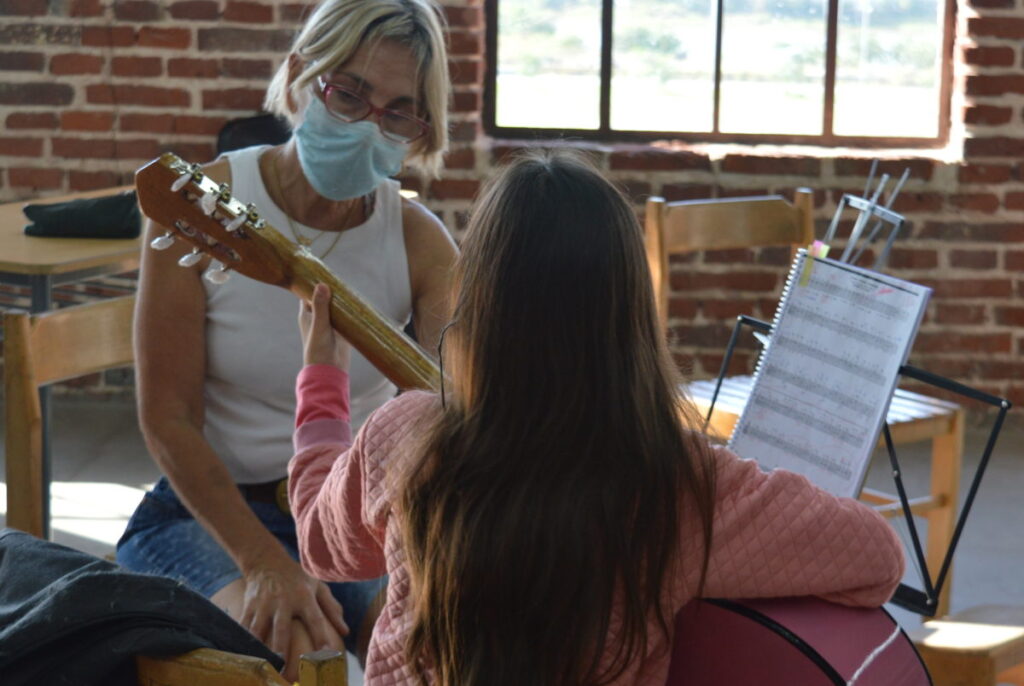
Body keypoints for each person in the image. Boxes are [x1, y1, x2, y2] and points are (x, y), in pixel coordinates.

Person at [287, 150, 907, 685]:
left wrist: (322, 381)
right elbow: (876, 558)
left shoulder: (402, 435)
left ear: (476, 299)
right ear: (630, 317)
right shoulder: (683, 484)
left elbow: (321, 545)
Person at [116, 0, 457, 678]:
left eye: (397, 111)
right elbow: (168, 418)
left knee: (447, 642)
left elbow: (459, 406)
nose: (368, 123)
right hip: (209, 514)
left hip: (355, 515)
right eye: (351, 92)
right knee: (300, 650)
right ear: (303, 75)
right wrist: (266, 563)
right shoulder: (203, 204)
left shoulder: (421, 243)